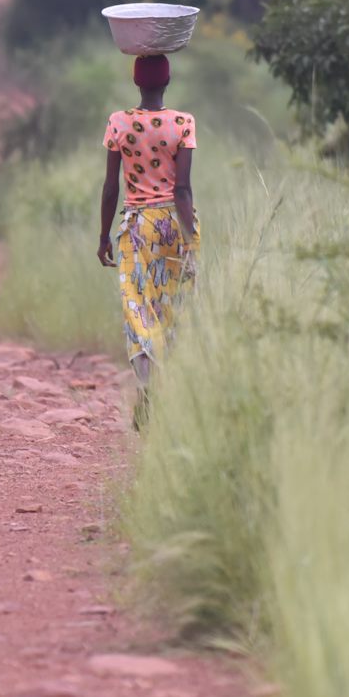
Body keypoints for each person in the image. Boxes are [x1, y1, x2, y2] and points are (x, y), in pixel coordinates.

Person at [97, 53, 198, 426]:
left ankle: (148, 388)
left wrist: (104, 236)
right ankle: (170, 390)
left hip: (137, 228)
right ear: (167, 82)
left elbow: (111, 189)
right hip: (175, 223)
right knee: (174, 310)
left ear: (137, 82)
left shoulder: (119, 123)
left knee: (139, 311)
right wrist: (189, 242)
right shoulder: (183, 124)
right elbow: (183, 189)